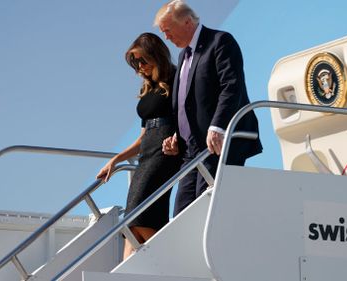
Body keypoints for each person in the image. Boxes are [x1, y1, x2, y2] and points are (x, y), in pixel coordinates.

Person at [154, 0, 263, 217]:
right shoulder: (183, 55)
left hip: (217, 145)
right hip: (190, 152)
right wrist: (178, 135)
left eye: (168, 30)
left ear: (186, 22)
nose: (166, 37)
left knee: (208, 212)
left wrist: (218, 127)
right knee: (182, 216)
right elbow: (188, 101)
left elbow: (232, 86)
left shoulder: (220, 42)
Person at [96, 33, 181, 260]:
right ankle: (132, 267)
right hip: (147, 152)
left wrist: (177, 138)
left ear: (156, 55)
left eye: (142, 61)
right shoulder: (149, 88)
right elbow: (142, 138)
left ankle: (163, 261)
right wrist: (116, 160)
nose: (139, 67)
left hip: (166, 151)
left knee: (138, 215)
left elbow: (187, 117)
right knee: (134, 219)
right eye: (135, 63)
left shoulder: (176, 78)